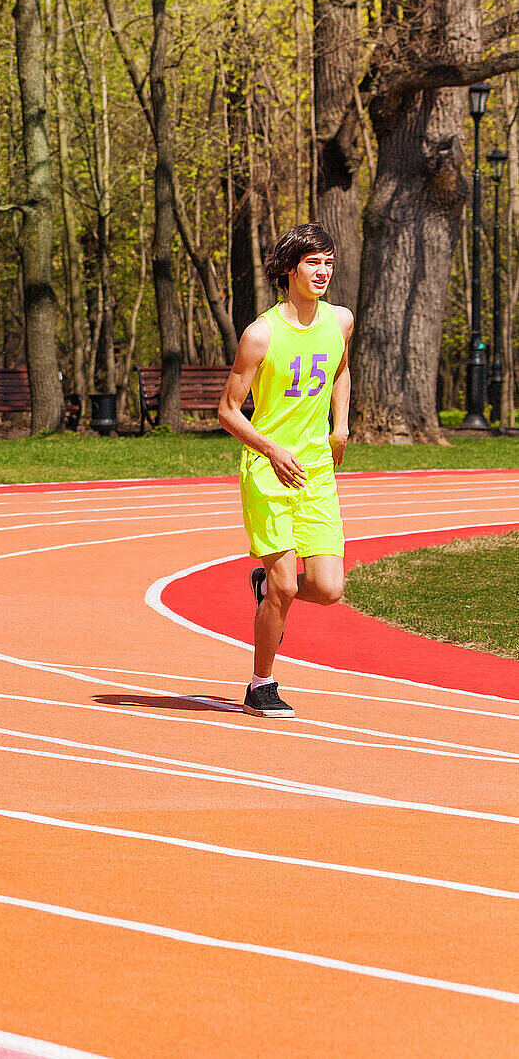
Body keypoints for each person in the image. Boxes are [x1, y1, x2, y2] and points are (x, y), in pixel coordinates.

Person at [216, 222, 353, 719]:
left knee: (328, 589)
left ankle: (266, 585)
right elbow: (228, 411)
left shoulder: (340, 321)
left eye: (329, 261)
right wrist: (272, 449)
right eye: (314, 262)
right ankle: (260, 684)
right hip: (269, 470)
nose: (324, 271)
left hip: (317, 470)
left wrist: (340, 427)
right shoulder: (261, 333)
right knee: (288, 588)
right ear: (290, 269)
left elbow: (339, 370)